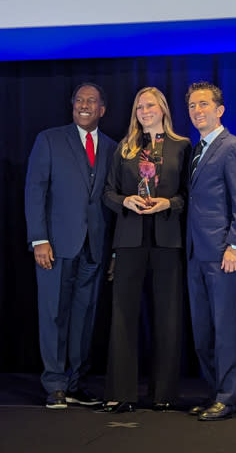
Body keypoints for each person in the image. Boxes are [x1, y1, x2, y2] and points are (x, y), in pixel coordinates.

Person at [25, 82, 117, 409]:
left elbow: (111, 202)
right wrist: (39, 239)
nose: (84, 104)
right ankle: (55, 385)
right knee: (54, 315)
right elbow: (35, 191)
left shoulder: (111, 147)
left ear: (102, 109)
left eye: (91, 101)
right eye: (79, 99)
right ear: (72, 105)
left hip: (94, 248)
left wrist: (114, 251)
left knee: (84, 319)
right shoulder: (49, 139)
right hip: (56, 246)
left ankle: (76, 384)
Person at [100, 86, 191, 413]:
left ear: (163, 109)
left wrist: (169, 202)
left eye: (150, 106)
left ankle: (163, 393)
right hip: (128, 240)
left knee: (167, 315)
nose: (145, 111)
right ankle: (121, 393)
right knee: (123, 316)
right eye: (140, 107)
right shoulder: (125, 148)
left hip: (167, 239)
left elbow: (187, 195)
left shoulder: (182, 146)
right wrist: (125, 199)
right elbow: (107, 193)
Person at [186, 81, 236, 421]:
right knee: (203, 331)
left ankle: (227, 398)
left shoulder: (234, 148)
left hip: (222, 254)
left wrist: (234, 245)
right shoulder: (196, 150)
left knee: (224, 328)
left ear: (219, 110)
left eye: (203, 104)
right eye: (192, 106)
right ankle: (214, 393)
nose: (197, 111)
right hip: (195, 254)